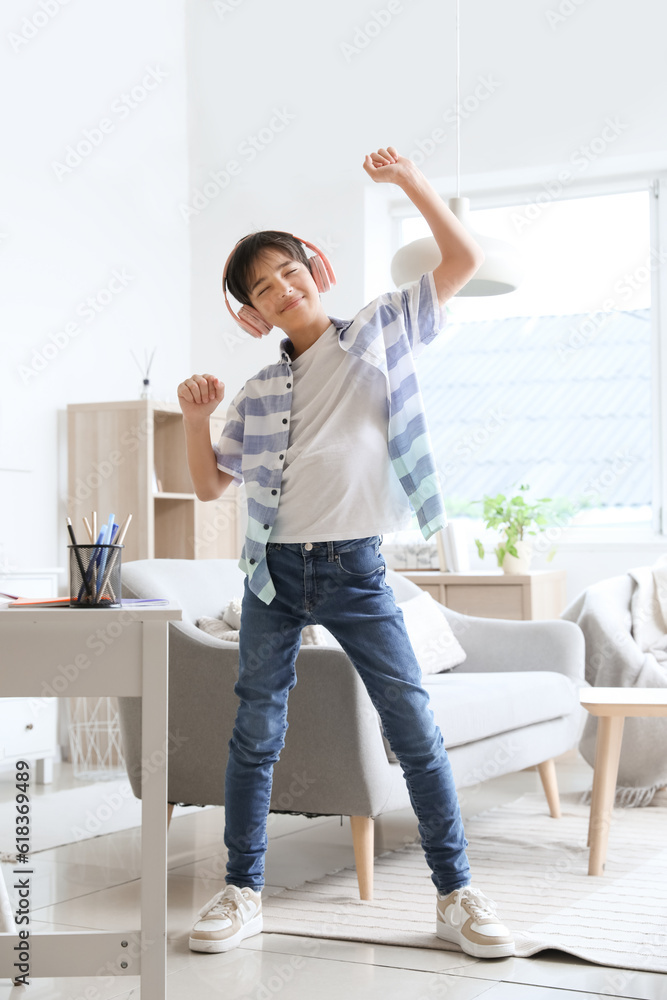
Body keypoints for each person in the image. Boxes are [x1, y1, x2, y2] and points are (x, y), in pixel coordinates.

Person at [176, 146, 515, 960]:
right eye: (263, 287)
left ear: (313, 270)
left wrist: (409, 184)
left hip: (357, 570)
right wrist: (194, 419)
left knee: (412, 725)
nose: (283, 288)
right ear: (250, 314)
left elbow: (463, 257)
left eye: (289, 271)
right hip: (270, 575)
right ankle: (241, 890)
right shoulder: (257, 393)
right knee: (255, 732)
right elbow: (207, 489)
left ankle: (454, 893)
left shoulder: (378, 329)